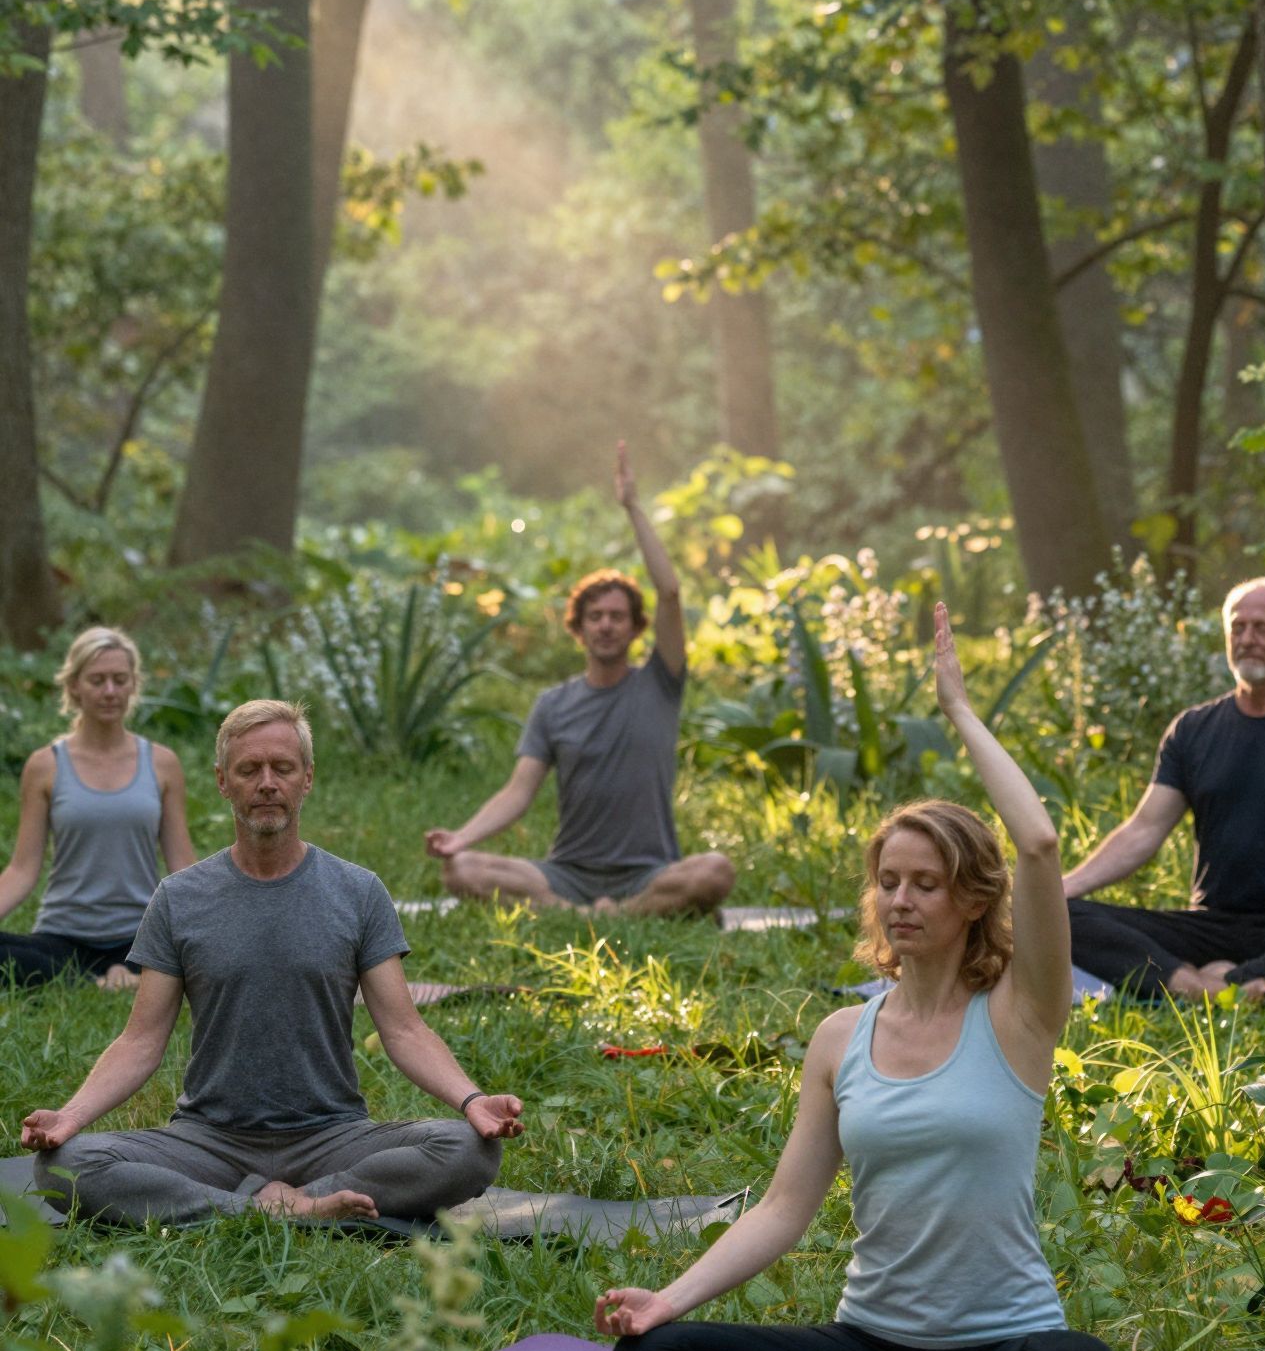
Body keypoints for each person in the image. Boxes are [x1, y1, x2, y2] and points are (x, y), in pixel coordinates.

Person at [595, 605, 1120, 1351]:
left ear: (973, 901)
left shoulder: (1022, 1016)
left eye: (926, 884)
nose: (902, 900)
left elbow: (1039, 842)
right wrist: (669, 1298)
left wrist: (958, 711)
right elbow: (783, 1209)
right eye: (888, 882)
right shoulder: (841, 1036)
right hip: (870, 1338)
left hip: (1005, 1336)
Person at [22, 699, 522, 1226]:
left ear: (306, 778)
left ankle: (299, 1200)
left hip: (332, 1136)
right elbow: (141, 1040)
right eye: (248, 769)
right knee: (65, 1164)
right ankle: (277, 1209)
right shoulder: (179, 898)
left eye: (282, 768)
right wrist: (70, 1116)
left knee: (469, 1148)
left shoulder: (358, 891)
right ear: (222, 781)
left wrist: (472, 1101)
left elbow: (404, 1030)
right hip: (209, 1140)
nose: (266, 783)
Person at [425, 442, 734, 917]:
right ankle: (591, 914)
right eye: (595, 616)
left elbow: (670, 592)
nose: (606, 625)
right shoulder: (553, 704)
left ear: (635, 628)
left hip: (648, 872)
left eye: (616, 616)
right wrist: (460, 838)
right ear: (579, 626)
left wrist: (632, 506)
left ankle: (620, 911)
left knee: (714, 870)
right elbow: (518, 792)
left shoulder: (660, 684)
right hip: (567, 872)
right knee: (460, 870)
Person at [1065, 576, 1265, 1003]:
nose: (1248, 638)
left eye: (1263, 628)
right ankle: (1207, 986)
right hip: (1209, 926)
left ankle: (1224, 986)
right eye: (1238, 628)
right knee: (1060, 916)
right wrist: (1059, 890)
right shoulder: (1192, 730)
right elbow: (1142, 830)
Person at [0, 626, 195, 991]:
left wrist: (214, 928)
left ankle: (115, 975)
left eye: (120, 680)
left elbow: (182, 868)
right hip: (61, 937)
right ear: (74, 686)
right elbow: (22, 870)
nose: (110, 691)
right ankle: (99, 980)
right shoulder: (45, 766)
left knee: (203, 954)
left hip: (140, 937)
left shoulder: (162, 764)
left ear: (133, 685)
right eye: (97, 680)